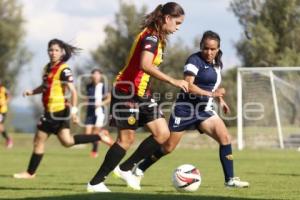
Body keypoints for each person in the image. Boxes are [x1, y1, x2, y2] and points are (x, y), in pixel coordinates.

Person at [125, 31, 250, 189]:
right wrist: (212, 94)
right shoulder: (194, 60)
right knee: (168, 147)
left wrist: (220, 99)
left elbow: (213, 85)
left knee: (225, 138)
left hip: (204, 109)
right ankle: (139, 169)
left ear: (218, 49)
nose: (209, 52)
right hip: (185, 110)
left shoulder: (217, 62)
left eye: (213, 49)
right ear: (201, 46)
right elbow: (188, 86)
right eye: (205, 48)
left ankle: (230, 180)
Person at [87, 2, 188, 192]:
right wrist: (173, 81)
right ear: (167, 18)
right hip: (127, 91)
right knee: (126, 140)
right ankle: (95, 183)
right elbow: (145, 65)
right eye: (178, 23)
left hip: (142, 93)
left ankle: (125, 168)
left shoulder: (157, 37)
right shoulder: (151, 37)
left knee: (162, 134)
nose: (178, 28)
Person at [13, 39, 111, 179]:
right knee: (67, 142)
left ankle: (30, 173)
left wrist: (74, 112)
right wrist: (32, 92)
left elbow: (73, 91)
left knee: (39, 139)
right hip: (52, 111)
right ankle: (100, 136)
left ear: (61, 52)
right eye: (51, 50)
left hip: (57, 111)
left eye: (56, 50)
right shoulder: (48, 68)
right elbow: (45, 86)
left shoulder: (64, 69)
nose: (53, 53)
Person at [84, 68, 114, 158]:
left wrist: (101, 103)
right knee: (87, 135)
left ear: (100, 76)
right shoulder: (88, 86)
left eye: (97, 74)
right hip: (90, 112)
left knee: (95, 134)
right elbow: (87, 97)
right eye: (94, 74)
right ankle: (104, 134)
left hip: (99, 112)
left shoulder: (103, 87)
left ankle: (94, 151)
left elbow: (109, 98)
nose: (96, 76)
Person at [0, 80, 13, 148]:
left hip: (2, 111)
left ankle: (8, 139)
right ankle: (8, 139)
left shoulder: (3, 89)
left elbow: (9, 96)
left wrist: (4, 102)